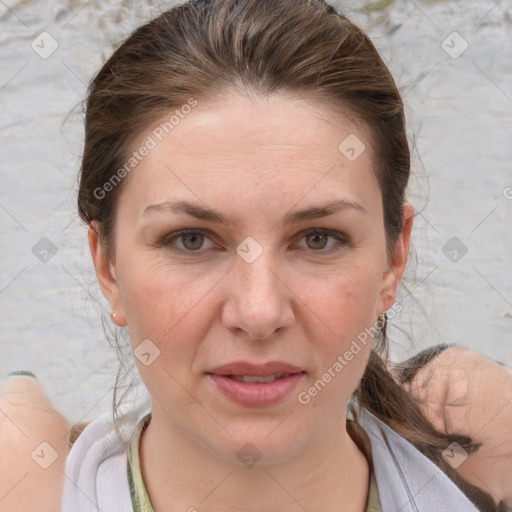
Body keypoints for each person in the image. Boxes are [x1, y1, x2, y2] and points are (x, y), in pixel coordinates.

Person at [1, 0, 511, 510]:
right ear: (107, 268)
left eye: (318, 239)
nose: (259, 312)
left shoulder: (487, 464)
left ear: (393, 260)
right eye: (191, 240)